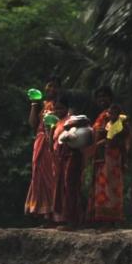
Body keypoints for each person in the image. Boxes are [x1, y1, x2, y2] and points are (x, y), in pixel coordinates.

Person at [87, 86, 131, 228]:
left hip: (112, 155)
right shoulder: (101, 115)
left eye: (104, 96)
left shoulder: (115, 114)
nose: (101, 99)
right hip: (100, 156)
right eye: (99, 97)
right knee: (101, 187)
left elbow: (126, 133)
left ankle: (110, 220)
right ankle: (103, 220)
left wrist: (106, 136)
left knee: (110, 187)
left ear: (110, 98)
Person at [24, 78, 63, 224]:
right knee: (39, 176)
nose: (50, 89)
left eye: (54, 86)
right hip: (40, 142)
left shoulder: (60, 105)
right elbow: (33, 124)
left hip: (53, 141)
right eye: (48, 87)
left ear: (59, 89)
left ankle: (56, 214)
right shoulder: (44, 105)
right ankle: (43, 214)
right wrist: (34, 104)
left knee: (52, 176)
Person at [49, 95, 85, 229]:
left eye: (61, 108)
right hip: (59, 159)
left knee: (70, 187)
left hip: (71, 157)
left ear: (67, 108)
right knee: (62, 188)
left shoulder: (71, 120)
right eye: (56, 108)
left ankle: (73, 221)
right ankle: (64, 219)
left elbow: (79, 131)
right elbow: (52, 144)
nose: (58, 111)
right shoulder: (57, 123)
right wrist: (50, 130)